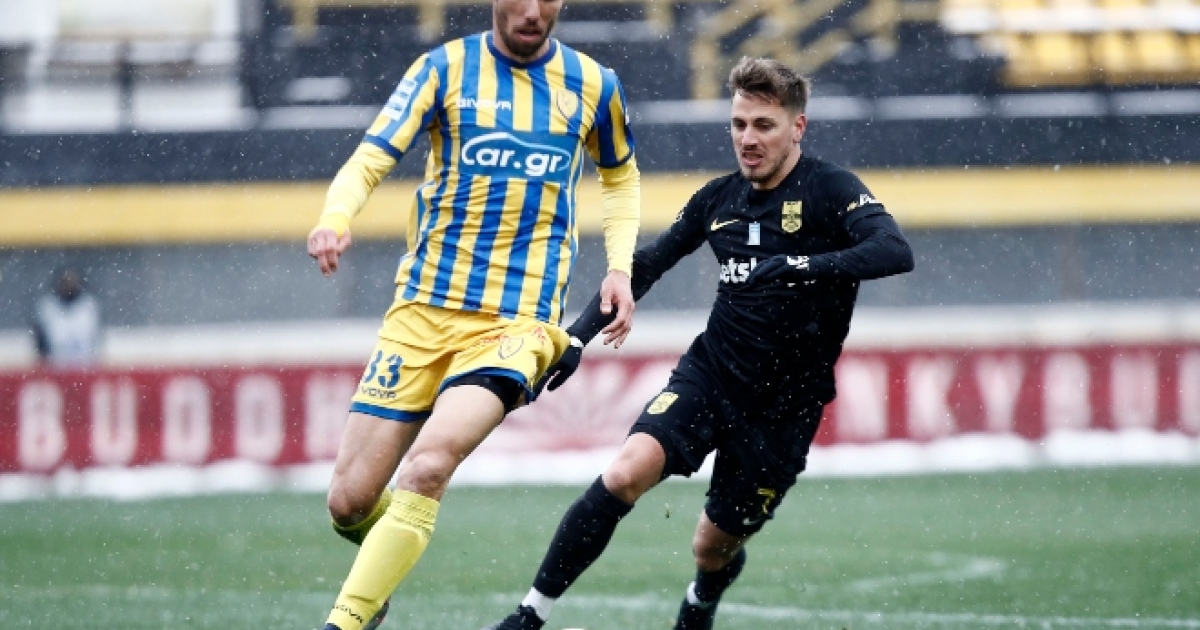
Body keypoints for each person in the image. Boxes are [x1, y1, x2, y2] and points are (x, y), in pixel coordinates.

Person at [483, 56, 915, 630]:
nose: (747, 139)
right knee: (624, 474)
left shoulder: (831, 189)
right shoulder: (717, 199)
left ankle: (701, 599)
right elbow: (647, 265)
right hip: (711, 376)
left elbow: (893, 250)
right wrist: (576, 338)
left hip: (785, 407)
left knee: (712, 547)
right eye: (739, 124)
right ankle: (529, 616)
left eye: (763, 125)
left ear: (797, 127)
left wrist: (803, 265)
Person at [304, 0, 642, 627]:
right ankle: (382, 568)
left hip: (517, 323)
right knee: (349, 503)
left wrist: (618, 266)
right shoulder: (443, 69)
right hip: (422, 312)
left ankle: (342, 621)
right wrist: (335, 216)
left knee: (429, 466)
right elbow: (374, 154)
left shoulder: (593, 85)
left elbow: (620, 177)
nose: (533, 11)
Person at [32, 267, 101, 367]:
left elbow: (96, 336)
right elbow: (40, 339)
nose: (68, 285)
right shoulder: (48, 306)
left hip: (85, 366)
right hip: (55, 366)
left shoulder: (88, 305)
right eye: (65, 282)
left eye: (72, 281)